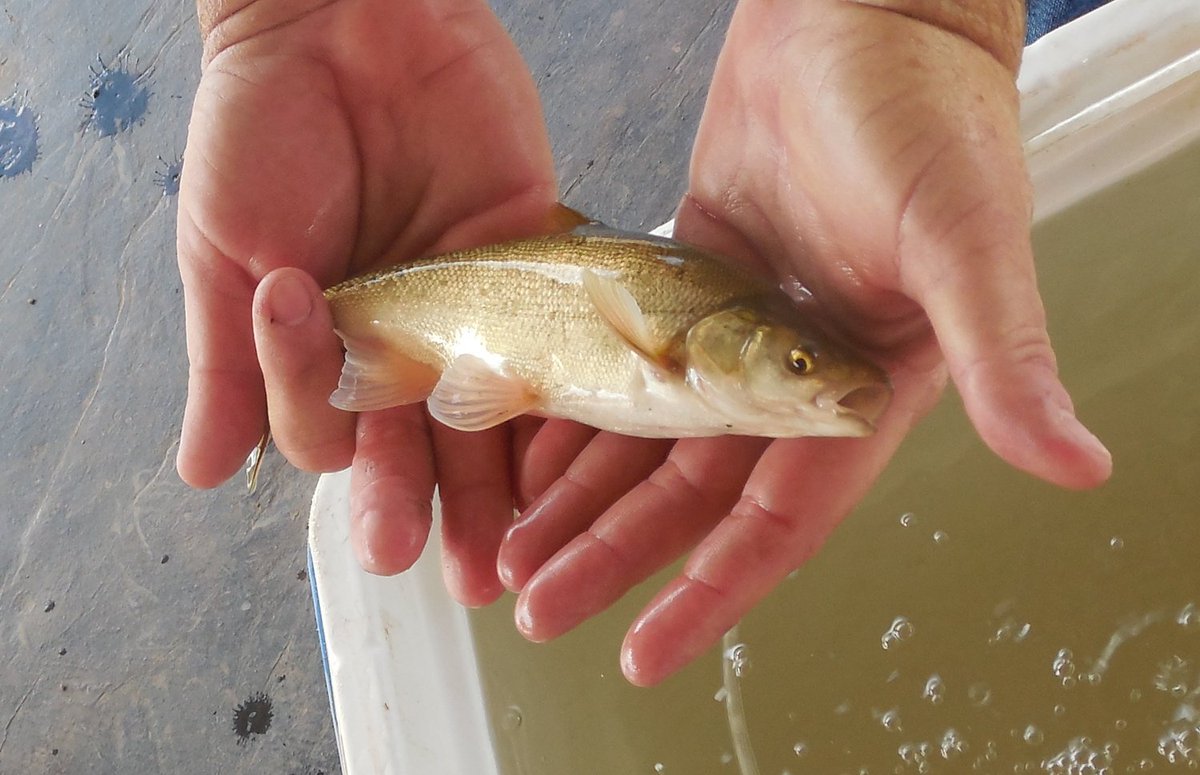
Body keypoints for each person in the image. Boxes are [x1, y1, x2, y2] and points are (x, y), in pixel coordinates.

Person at [176, 0, 1112, 687]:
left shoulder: (714, 333)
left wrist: (917, 16)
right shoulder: (686, 342)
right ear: (723, 342)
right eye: (796, 361)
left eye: (803, 366)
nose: (815, 378)